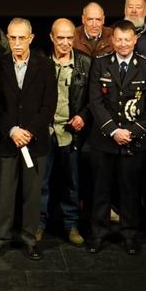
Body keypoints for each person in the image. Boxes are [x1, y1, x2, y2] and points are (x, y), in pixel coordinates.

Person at [84, 20, 146, 255]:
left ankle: (129, 235)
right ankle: (98, 234)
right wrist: (114, 131)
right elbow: (95, 102)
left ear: (135, 40)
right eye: (119, 39)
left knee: (130, 191)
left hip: (133, 141)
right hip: (104, 139)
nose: (123, 44)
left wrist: (132, 132)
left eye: (128, 39)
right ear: (112, 40)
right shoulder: (100, 64)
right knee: (100, 191)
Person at [0, 18, 56, 261]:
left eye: (21, 38)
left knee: (32, 194)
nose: (16, 43)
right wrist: (12, 130)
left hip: (34, 143)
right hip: (7, 141)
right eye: (12, 38)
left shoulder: (45, 65)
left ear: (31, 38)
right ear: (7, 37)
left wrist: (29, 131)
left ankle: (29, 239)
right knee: (4, 194)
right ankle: (1, 239)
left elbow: (49, 105)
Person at [40, 18, 91, 247]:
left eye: (70, 37)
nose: (65, 42)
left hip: (70, 132)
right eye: (60, 37)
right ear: (52, 37)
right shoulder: (41, 62)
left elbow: (94, 101)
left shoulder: (85, 63)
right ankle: (39, 224)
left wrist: (83, 115)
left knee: (72, 182)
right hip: (45, 131)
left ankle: (71, 225)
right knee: (41, 182)